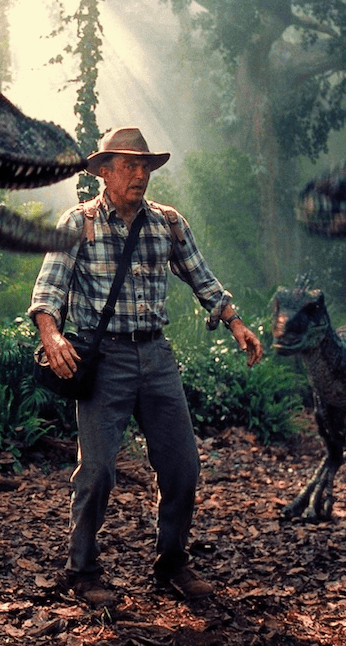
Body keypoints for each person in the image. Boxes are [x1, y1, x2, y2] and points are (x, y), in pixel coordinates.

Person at [28, 126, 263, 607]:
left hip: (156, 356)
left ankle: (171, 563)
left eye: (145, 166)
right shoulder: (79, 223)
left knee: (182, 466)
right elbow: (48, 291)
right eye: (129, 166)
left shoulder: (167, 223)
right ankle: (82, 570)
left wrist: (235, 322)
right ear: (104, 172)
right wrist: (51, 335)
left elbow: (202, 278)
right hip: (104, 361)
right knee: (96, 471)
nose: (140, 174)